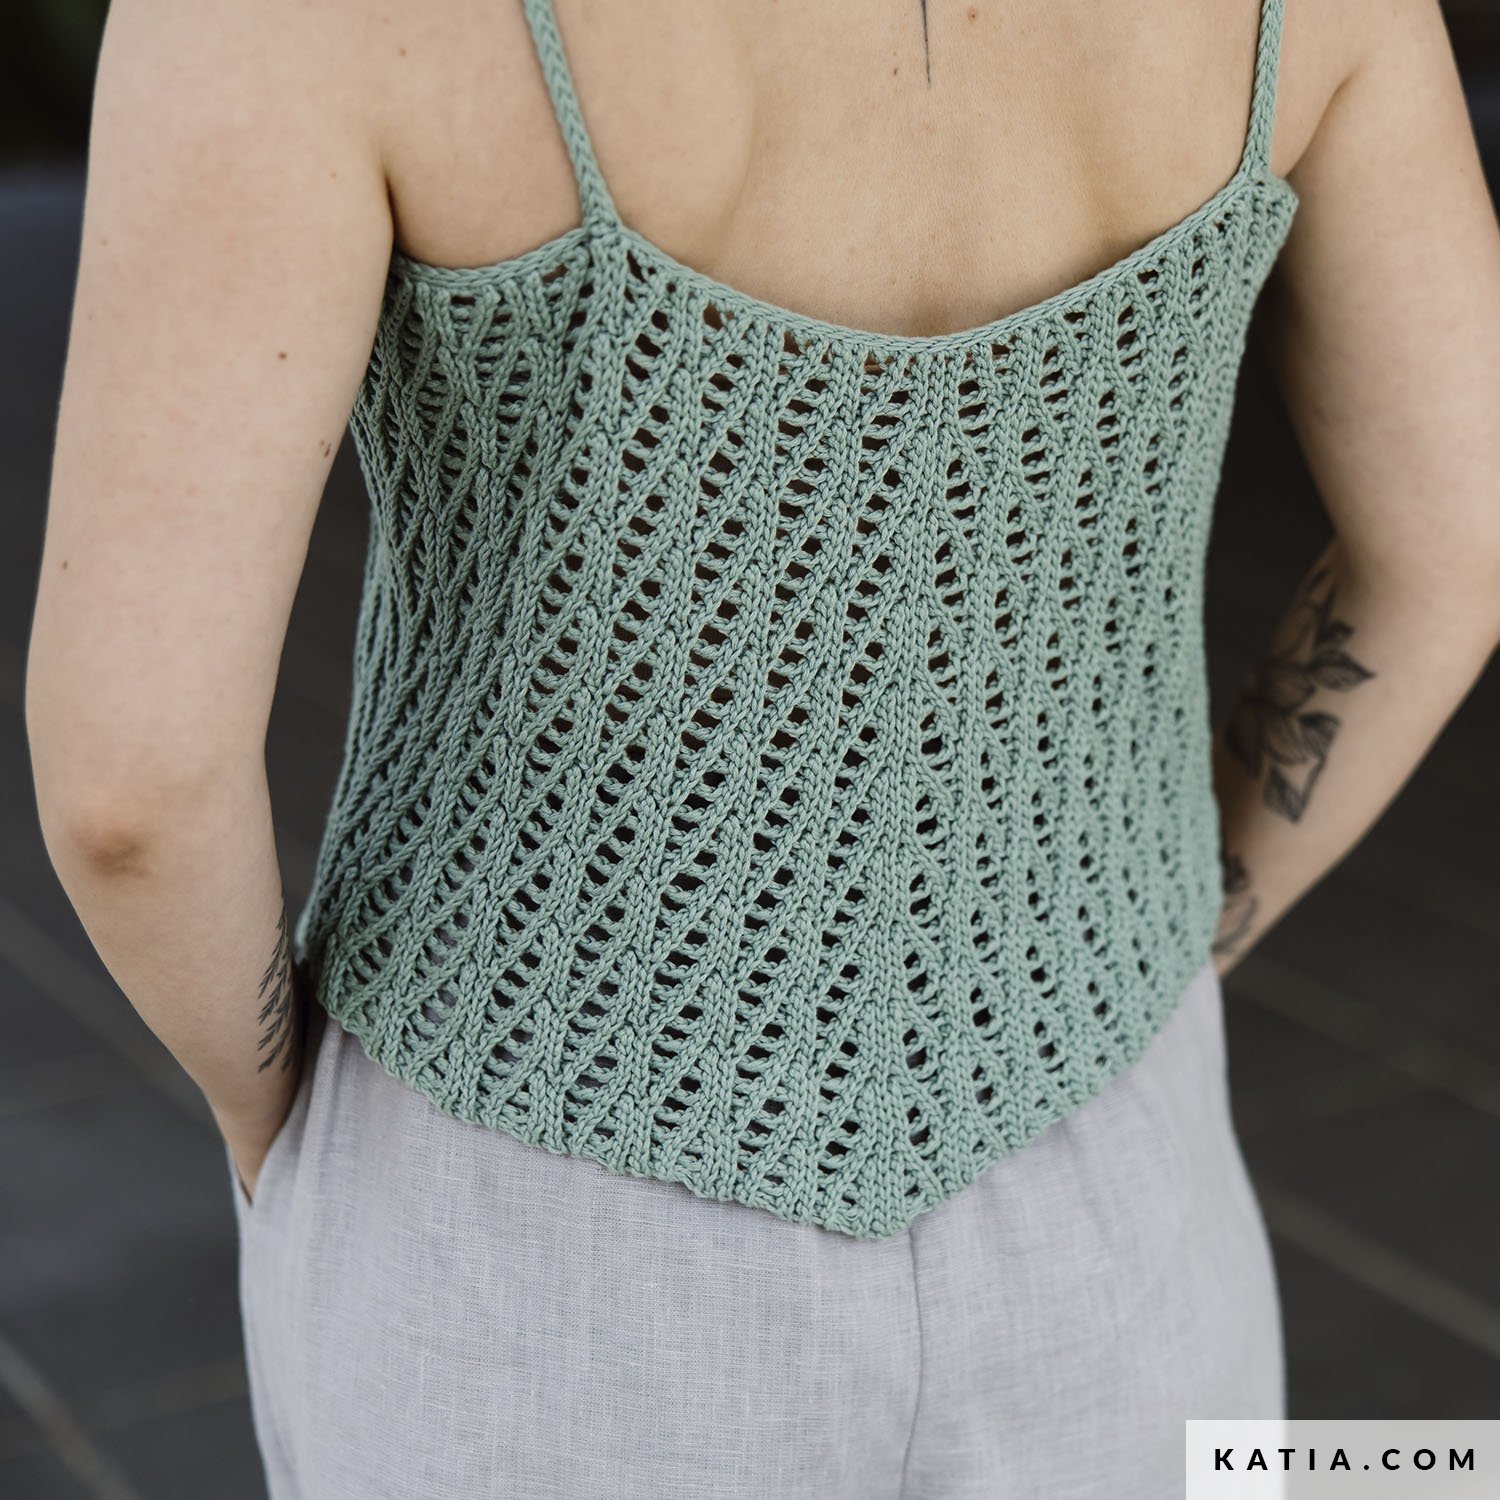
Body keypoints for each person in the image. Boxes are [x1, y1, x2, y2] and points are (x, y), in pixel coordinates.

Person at [24, 0, 1500, 1495]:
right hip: (1119, 1178)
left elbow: (131, 789)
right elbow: (1460, 542)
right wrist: (1156, 940)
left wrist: (281, 1127)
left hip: (522, 1210)